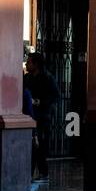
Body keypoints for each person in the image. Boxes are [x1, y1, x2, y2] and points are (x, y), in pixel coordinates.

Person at [25, 52, 59, 181]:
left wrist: (40, 102)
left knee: (38, 143)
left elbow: (55, 96)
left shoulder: (47, 78)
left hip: (42, 116)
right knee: (33, 144)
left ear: (36, 64)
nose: (27, 64)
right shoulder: (27, 78)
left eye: (29, 62)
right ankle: (34, 172)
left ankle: (42, 172)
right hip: (29, 115)